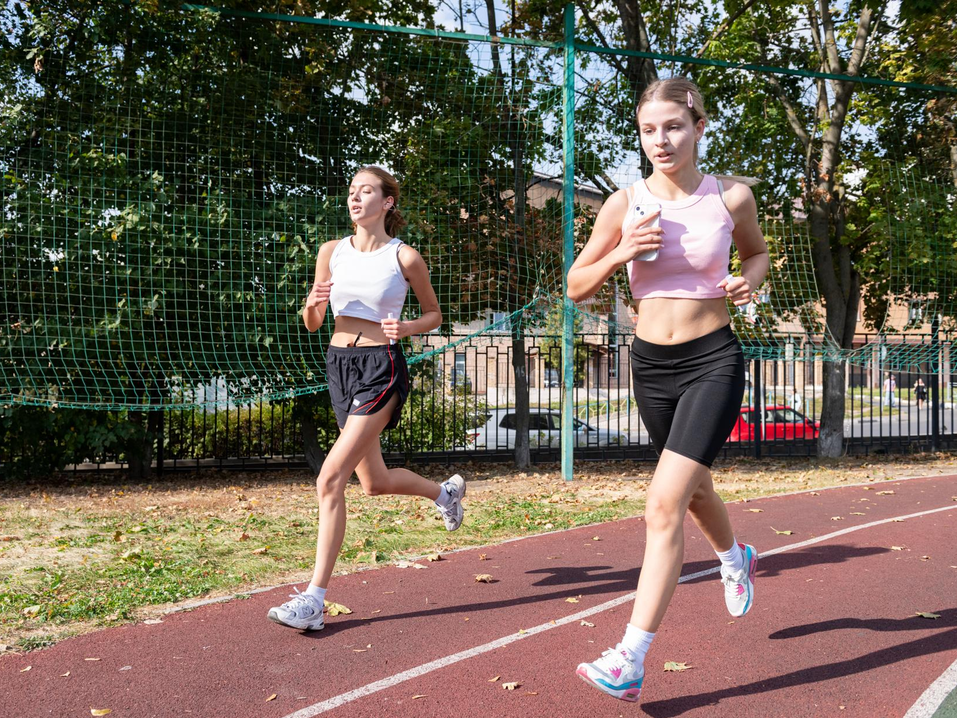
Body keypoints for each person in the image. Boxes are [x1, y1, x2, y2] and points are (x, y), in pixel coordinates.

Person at [566, 78, 769, 703]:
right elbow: (577, 285)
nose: (661, 140)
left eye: (674, 127)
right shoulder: (622, 203)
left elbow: (758, 255)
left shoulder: (730, 197)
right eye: (649, 129)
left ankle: (630, 657)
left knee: (664, 503)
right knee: (696, 485)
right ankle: (736, 558)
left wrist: (747, 281)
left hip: (714, 359)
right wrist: (621, 249)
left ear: (699, 127)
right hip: (651, 366)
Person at [267, 165, 466, 631]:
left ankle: (314, 600)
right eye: (352, 192)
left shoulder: (404, 258)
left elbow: (435, 314)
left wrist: (409, 327)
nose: (355, 199)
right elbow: (313, 323)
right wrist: (313, 301)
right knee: (372, 482)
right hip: (339, 366)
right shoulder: (330, 251)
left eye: (367, 191)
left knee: (330, 478)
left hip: (382, 367)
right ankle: (446, 493)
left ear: (387, 202)